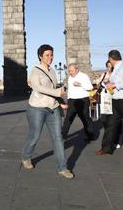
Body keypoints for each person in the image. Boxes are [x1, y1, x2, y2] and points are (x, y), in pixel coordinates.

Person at [22, 44, 74, 179]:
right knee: (35, 135)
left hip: (53, 108)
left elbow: (53, 86)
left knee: (58, 138)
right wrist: (58, 92)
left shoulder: (52, 71)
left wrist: (61, 102)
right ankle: (26, 156)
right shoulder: (35, 71)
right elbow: (38, 87)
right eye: (47, 55)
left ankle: (62, 168)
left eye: (51, 55)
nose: (50, 57)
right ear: (40, 56)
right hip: (37, 108)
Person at [61, 63, 95, 141]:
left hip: (82, 100)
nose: (70, 72)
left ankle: (90, 135)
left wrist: (80, 84)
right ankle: (62, 137)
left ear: (77, 69)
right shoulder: (70, 78)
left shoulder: (84, 76)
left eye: (72, 71)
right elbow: (70, 90)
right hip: (72, 101)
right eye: (69, 71)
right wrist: (68, 100)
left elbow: (90, 87)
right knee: (68, 119)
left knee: (85, 118)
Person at [96, 61, 123, 149]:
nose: (109, 67)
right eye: (108, 66)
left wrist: (111, 83)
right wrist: (99, 81)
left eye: (111, 66)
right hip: (104, 99)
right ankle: (111, 136)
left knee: (116, 120)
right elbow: (97, 83)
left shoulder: (117, 74)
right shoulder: (104, 74)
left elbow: (120, 85)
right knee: (104, 119)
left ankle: (117, 140)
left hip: (114, 98)